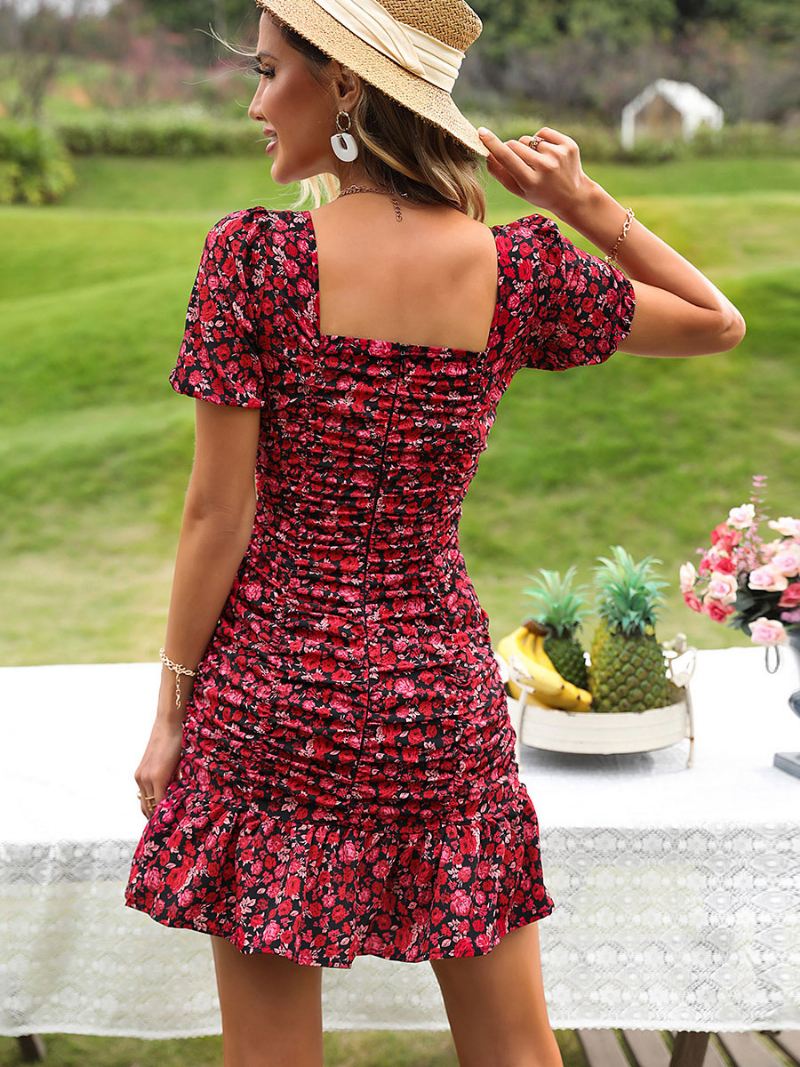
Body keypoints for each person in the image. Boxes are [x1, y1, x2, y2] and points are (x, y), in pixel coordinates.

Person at [123, 1, 747, 1065]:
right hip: (434, 689)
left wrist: (171, 708)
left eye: (272, 73)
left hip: (276, 690)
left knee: (269, 1053)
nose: (253, 100)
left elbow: (216, 514)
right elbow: (712, 320)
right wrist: (579, 200)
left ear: (347, 88)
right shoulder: (510, 272)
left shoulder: (252, 260)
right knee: (511, 1046)